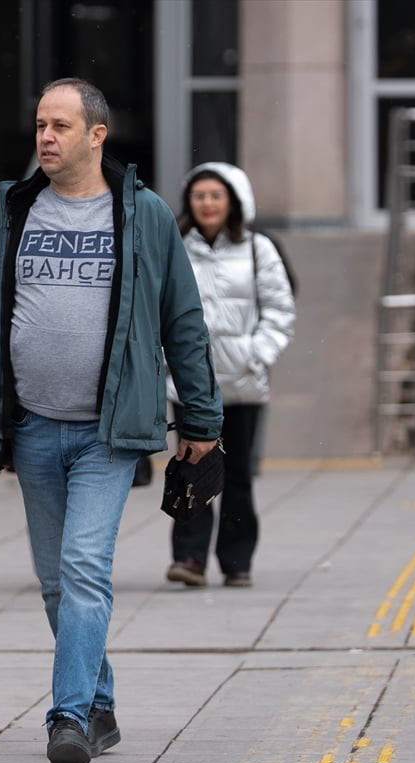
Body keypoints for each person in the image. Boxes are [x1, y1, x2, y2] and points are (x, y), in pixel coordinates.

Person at [0, 77, 223, 763]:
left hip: (108, 433)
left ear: (97, 136)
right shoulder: (14, 214)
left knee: (82, 568)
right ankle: (100, 700)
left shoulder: (145, 217)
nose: (45, 138)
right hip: (36, 430)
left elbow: (183, 324)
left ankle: (68, 717)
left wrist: (201, 417)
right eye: (40, 126)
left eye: (60, 126)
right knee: (54, 582)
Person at [165, 162, 295, 589]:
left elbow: (280, 311)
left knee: (237, 474)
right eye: (199, 195)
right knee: (190, 469)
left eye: (216, 195)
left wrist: (256, 355)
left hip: (243, 383)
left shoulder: (259, 249)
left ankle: (237, 561)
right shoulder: (175, 247)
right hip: (190, 385)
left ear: (234, 202)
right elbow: (158, 311)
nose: (207, 203)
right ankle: (189, 557)